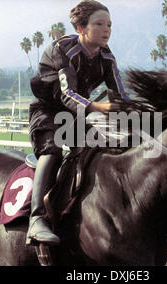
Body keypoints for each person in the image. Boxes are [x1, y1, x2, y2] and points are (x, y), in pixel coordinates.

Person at [26, 0, 130, 246]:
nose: (106, 30)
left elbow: (121, 95)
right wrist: (98, 107)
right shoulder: (62, 48)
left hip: (77, 115)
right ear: (81, 28)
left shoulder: (107, 56)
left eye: (109, 25)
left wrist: (138, 113)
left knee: (107, 147)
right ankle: (36, 218)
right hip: (48, 112)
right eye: (99, 24)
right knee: (52, 150)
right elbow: (66, 94)